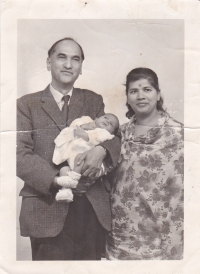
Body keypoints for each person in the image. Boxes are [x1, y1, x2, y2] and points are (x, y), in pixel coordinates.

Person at [17, 37, 120, 260]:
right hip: (46, 207)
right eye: (61, 57)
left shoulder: (93, 100)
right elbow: (18, 155)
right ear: (48, 63)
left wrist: (101, 150)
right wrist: (57, 178)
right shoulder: (25, 105)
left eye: (75, 59)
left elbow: (113, 135)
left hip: (90, 208)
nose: (68, 64)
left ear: (81, 67)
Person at [106, 68, 184, 260]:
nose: (140, 96)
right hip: (118, 241)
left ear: (158, 94)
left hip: (158, 244)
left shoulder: (178, 135)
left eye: (147, 89)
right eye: (134, 91)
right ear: (128, 98)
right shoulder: (119, 134)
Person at [52, 114, 119, 202]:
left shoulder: (105, 133)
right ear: (96, 119)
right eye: (106, 118)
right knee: (64, 169)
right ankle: (65, 191)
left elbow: (98, 138)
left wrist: (85, 134)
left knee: (80, 159)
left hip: (86, 160)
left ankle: (73, 179)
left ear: (112, 132)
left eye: (111, 124)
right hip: (72, 156)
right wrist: (84, 126)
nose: (107, 121)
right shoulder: (87, 121)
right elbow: (73, 126)